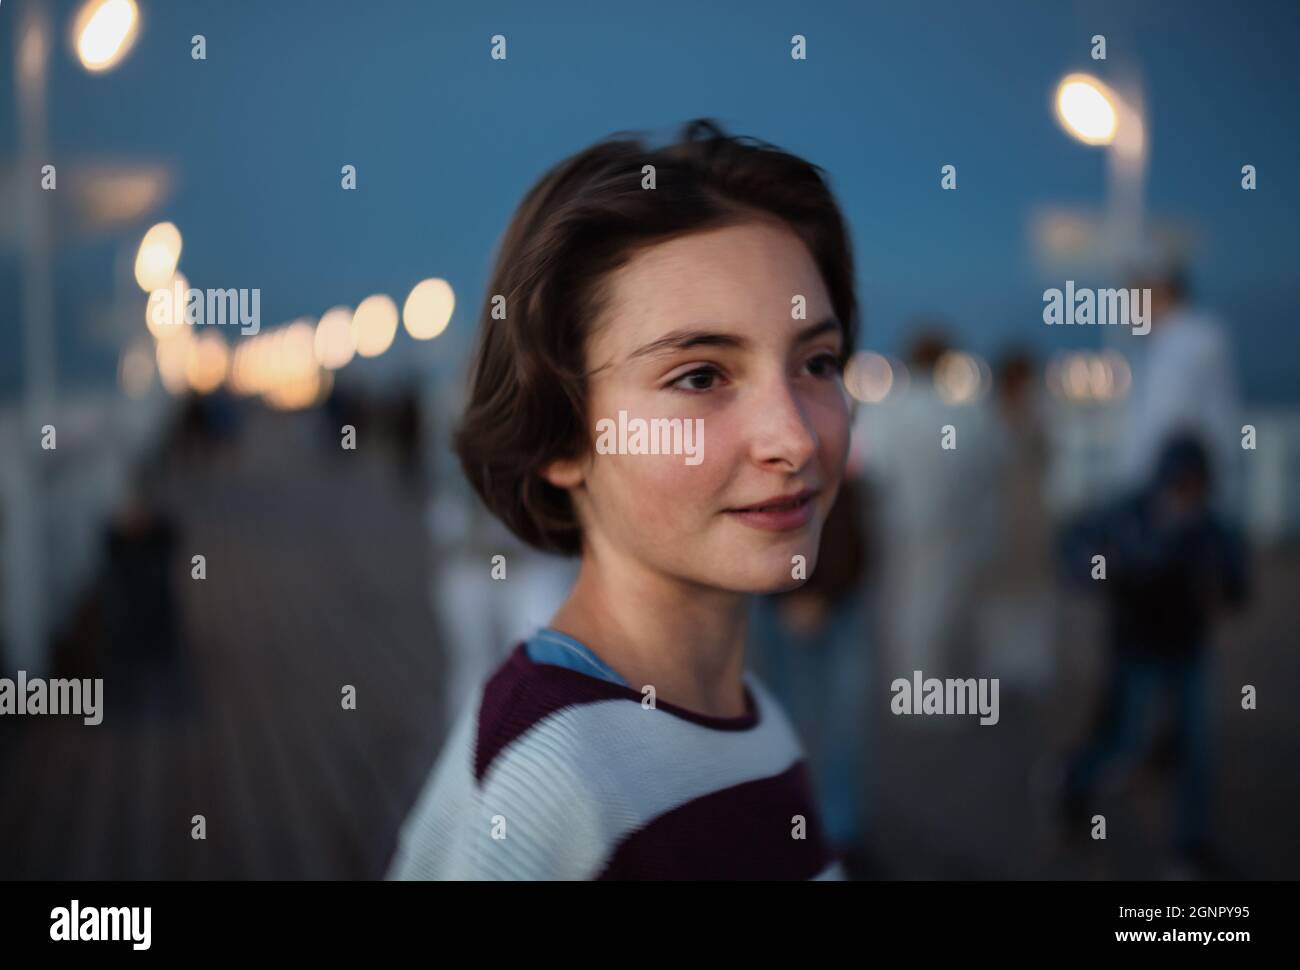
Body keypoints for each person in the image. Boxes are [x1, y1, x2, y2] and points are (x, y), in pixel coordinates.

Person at [387, 118, 860, 880]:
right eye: (701, 376)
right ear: (562, 438)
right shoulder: (548, 790)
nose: (796, 440)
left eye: (818, 362)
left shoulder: (753, 723)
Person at [1056, 433, 1248, 875]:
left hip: (1188, 651)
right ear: (1162, 481)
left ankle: (1189, 846)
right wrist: (1108, 569)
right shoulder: (1126, 516)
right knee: (1123, 738)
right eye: (1179, 484)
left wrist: (1223, 591)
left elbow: (1237, 585)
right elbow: (1073, 548)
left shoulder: (1213, 531)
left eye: (1196, 486)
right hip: (1135, 650)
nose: (1187, 497)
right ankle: (1072, 784)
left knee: (1197, 746)